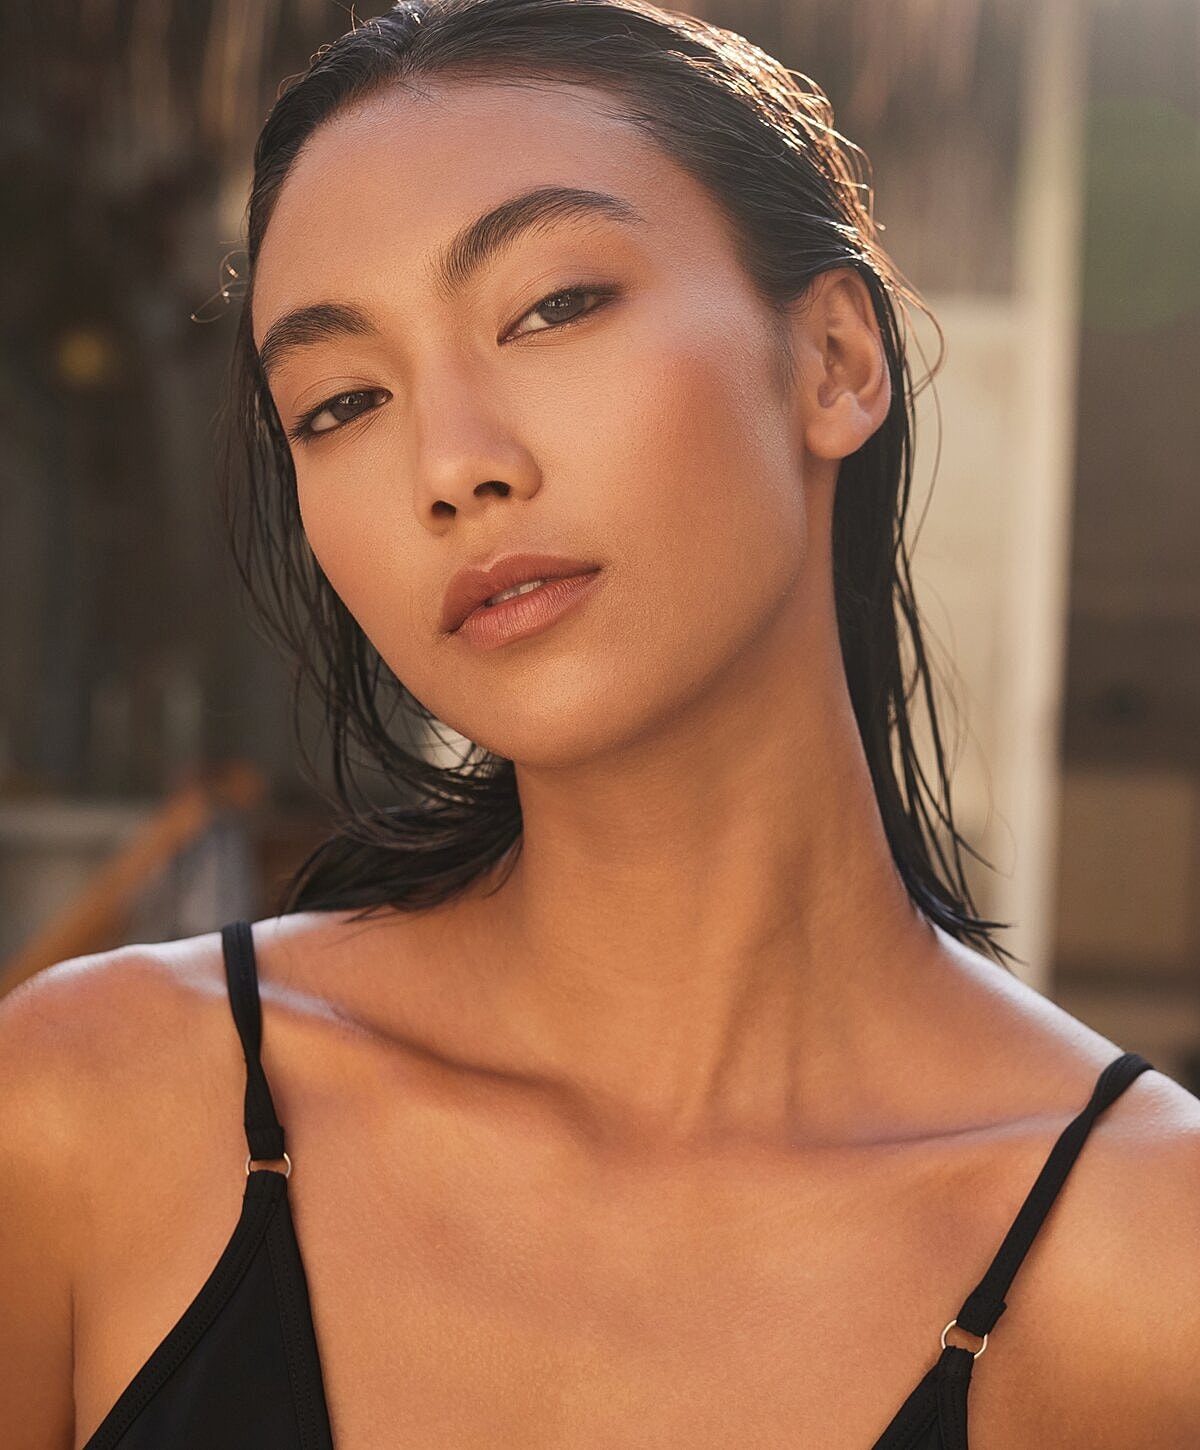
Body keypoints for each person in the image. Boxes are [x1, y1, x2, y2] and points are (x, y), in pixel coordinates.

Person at [2, 2, 1198, 1446]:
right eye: (341, 402)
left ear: (833, 360)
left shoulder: (1150, 1269)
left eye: (553, 306)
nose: (452, 463)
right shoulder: (96, 1111)